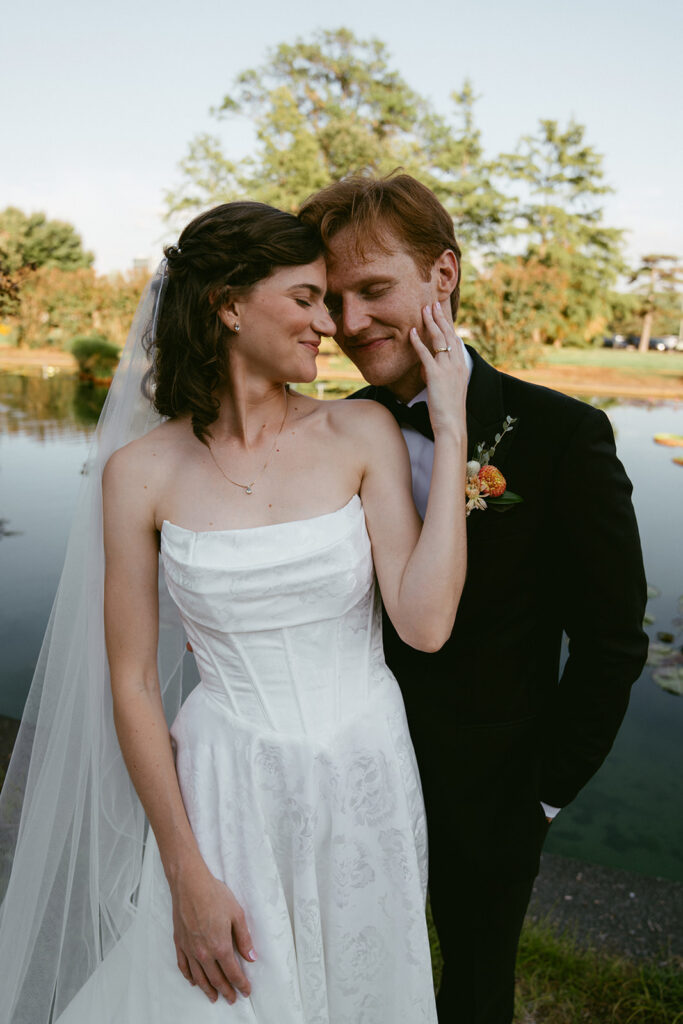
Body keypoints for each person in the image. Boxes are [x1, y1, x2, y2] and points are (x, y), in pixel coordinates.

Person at [0, 201, 470, 1024]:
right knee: (222, 994)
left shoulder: (360, 431)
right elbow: (133, 682)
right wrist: (183, 869)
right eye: (306, 299)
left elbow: (423, 625)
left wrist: (451, 424)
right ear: (227, 305)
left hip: (361, 768)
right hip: (224, 784)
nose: (330, 324)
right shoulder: (139, 474)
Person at [299, 172, 649, 1024]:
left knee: (474, 992)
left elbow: (611, 642)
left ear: (443, 274)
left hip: (492, 796)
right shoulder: (329, 432)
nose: (350, 324)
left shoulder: (562, 435)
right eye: (333, 300)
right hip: (345, 779)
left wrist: (544, 794)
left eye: (372, 289)